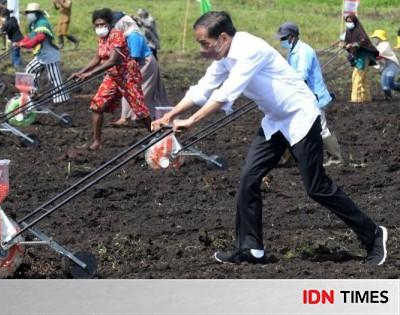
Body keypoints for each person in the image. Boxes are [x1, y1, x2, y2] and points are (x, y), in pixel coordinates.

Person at [152, 11, 387, 266]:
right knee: (248, 179)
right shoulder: (224, 55)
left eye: (204, 44)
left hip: (300, 117)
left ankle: (373, 235)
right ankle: (251, 248)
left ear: (222, 38)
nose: (202, 49)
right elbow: (203, 88)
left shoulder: (249, 49)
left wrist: (191, 121)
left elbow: (225, 94)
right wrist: (171, 115)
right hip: (275, 121)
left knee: (316, 187)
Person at [69, 8, 151, 151]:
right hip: (112, 77)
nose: (100, 28)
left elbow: (112, 60)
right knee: (96, 105)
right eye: (97, 25)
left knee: (140, 110)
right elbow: (98, 57)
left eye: (103, 24)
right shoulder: (102, 38)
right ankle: (97, 142)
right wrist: (81, 72)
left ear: (109, 23)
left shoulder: (117, 36)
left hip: (127, 76)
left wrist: (90, 75)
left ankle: (157, 136)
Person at [275, 22, 342, 167]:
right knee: (292, 125)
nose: (282, 41)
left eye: (283, 38)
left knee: (322, 128)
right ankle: (290, 158)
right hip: (301, 95)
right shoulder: (293, 50)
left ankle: (335, 158)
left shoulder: (304, 51)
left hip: (313, 96)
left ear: (292, 36)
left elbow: (302, 75)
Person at [111, 15, 169, 126]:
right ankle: (127, 117)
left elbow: (135, 56)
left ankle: (140, 116)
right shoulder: (127, 35)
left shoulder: (134, 35)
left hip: (144, 63)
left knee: (142, 90)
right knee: (130, 90)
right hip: (136, 63)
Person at [16, 3, 69, 104]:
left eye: (30, 13)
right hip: (41, 55)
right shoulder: (34, 24)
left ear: (37, 13)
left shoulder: (43, 23)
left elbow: (39, 38)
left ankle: (61, 99)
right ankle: (32, 93)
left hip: (50, 55)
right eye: (27, 13)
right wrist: (20, 42)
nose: (28, 15)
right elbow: (30, 36)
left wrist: (25, 45)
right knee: (29, 70)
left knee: (54, 77)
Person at [343, 14, 379, 103]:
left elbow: (363, 41)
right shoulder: (349, 32)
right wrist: (345, 46)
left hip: (364, 56)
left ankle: (356, 99)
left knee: (356, 77)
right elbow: (347, 42)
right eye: (347, 21)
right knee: (363, 78)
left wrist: (354, 44)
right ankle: (366, 98)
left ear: (354, 22)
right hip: (358, 56)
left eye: (350, 21)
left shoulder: (359, 31)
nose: (348, 23)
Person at [370, 29, 400, 100]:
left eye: (376, 38)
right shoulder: (378, 45)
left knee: (389, 82)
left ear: (380, 38)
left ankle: (389, 96)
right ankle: (388, 96)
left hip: (392, 65)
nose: (375, 39)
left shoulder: (385, 45)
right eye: (374, 38)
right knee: (385, 83)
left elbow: (377, 56)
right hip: (386, 65)